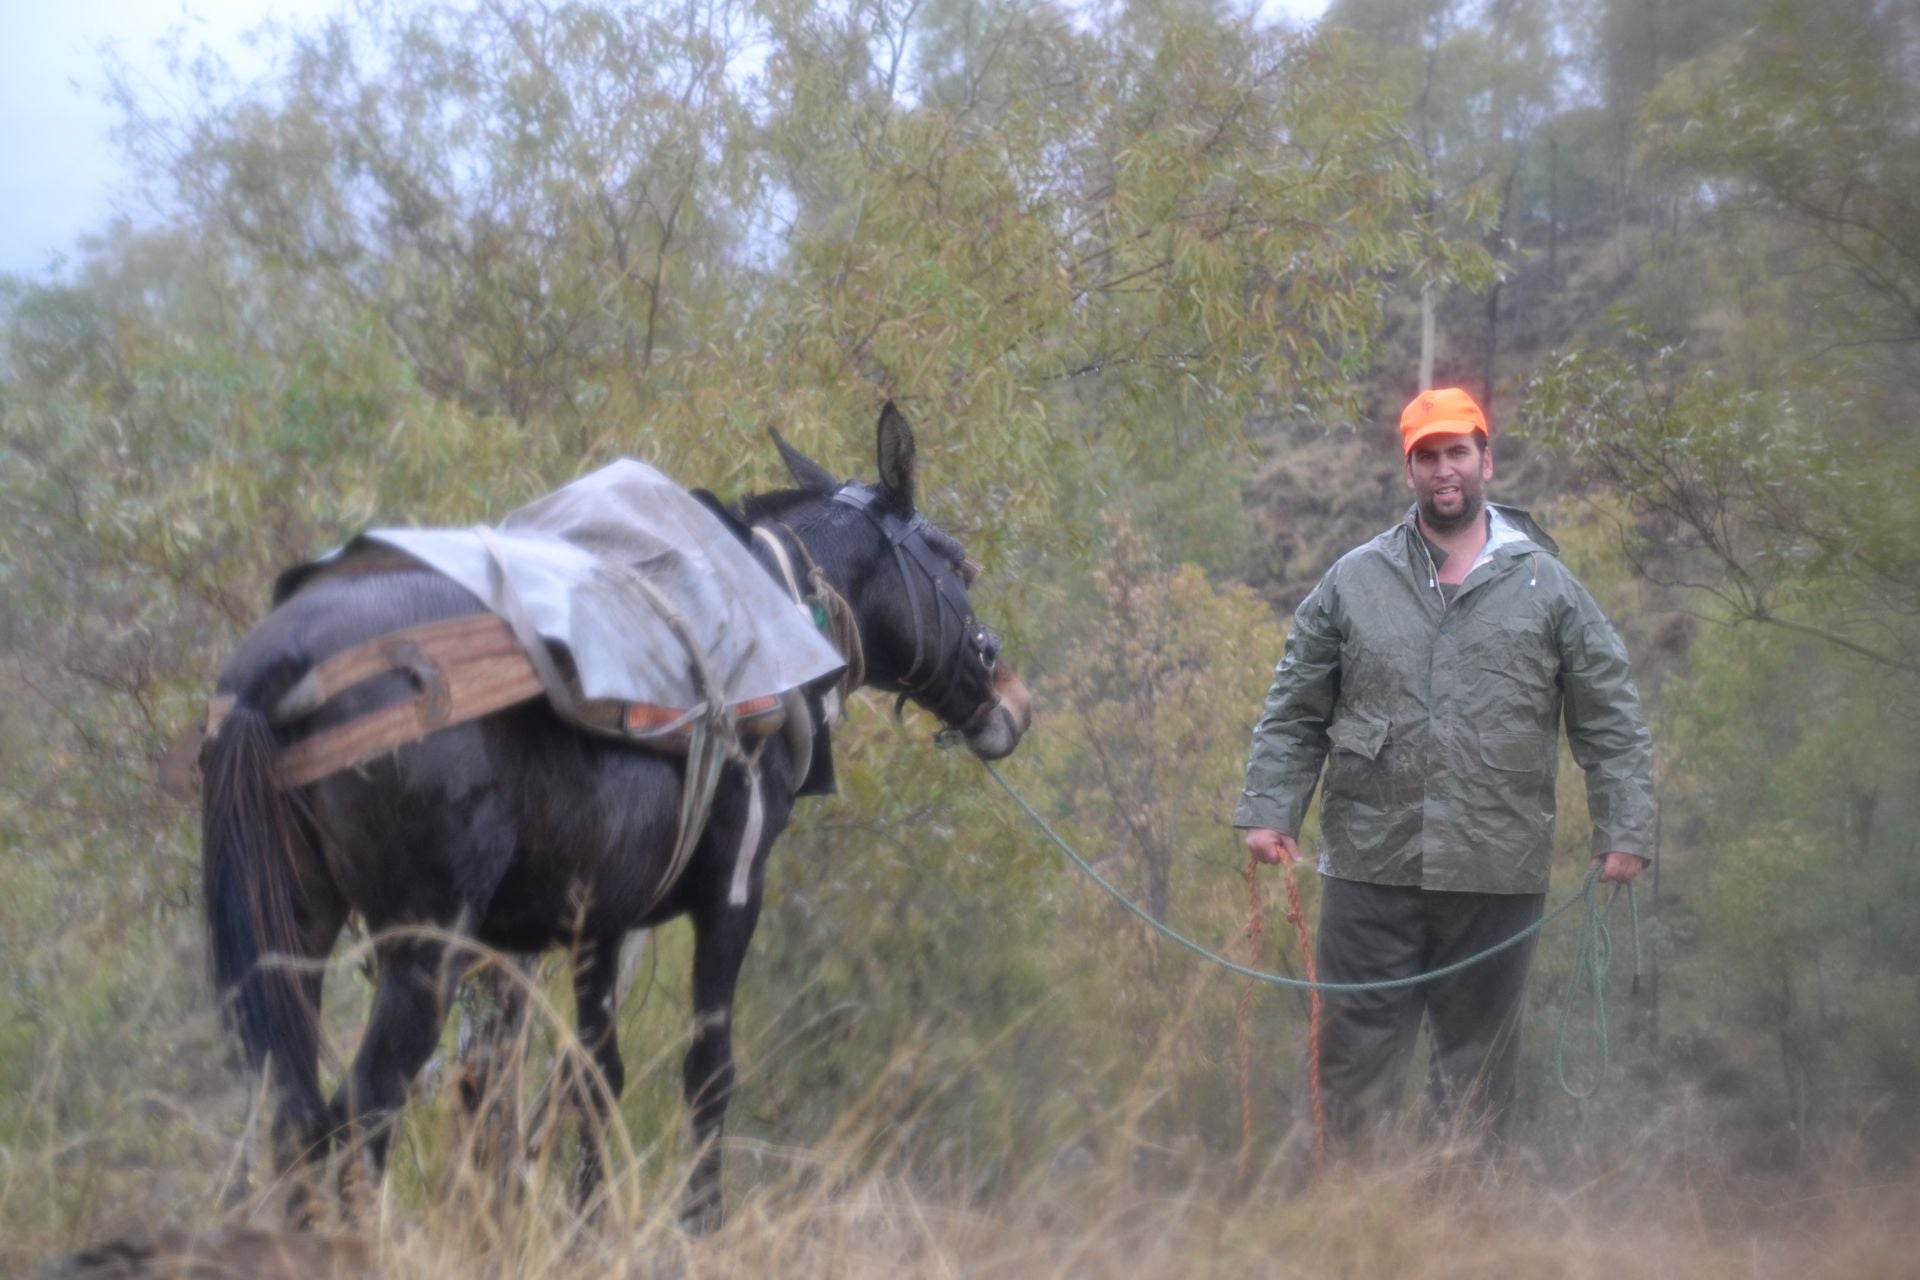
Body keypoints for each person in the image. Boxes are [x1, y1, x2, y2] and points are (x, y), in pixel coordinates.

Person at [1234, 386, 1655, 1153]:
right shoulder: (1353, 580)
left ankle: (1462, 1236)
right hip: (1370, 866)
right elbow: (1296, 705)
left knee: (1478, 1076)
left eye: (1457, 452)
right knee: (1352, 1065)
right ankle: (1355, 1235)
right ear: (1410, 472)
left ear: (1485, 460)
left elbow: (1611, 718)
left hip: (1496, 872)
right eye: (1426, 457)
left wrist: (1624, 830)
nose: (1443, 470)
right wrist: (1270, 809)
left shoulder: (1549, 588)